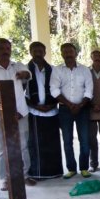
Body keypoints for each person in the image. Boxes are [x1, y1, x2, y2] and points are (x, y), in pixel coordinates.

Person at [0, 38, 35, 190]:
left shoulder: (18, 66)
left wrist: (25, 74)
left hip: (21, 114)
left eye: (8, 48)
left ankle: (25, 175)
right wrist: (7, 112)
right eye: (1, 48)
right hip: (1, 116)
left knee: (23, 146)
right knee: (2, 148)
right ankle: (5, 179)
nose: (5, 50)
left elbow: (28, 74)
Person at [50, 42, 93, 179]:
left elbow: (89, 90)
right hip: (64, 110)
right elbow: (54, 90)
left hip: (83, 109)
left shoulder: (85, 70)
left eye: (71, 51)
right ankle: (71, 169)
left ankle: (84, 168)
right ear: (62, 54)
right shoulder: (57, 70)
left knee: (84, 140)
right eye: (65, 52)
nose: (68, 54)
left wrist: (80, 105)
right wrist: (69, 105)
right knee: (67, 141)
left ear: (76, 53)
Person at [25, 41, 62, 180]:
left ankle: (55, 172)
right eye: (35, 51)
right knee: (36, 144)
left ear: (45, 52)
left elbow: (59, 88)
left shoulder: (53, 70)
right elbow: (22, 93)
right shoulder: (25, 70)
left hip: (52, 112)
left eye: (41, 51)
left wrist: (53, 105)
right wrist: (35, 106)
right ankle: (37, 173)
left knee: (53, 144)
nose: (38, 53)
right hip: (34, 112)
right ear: (30, 52)